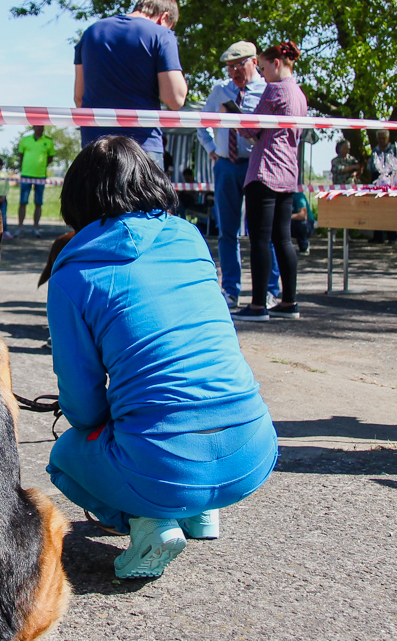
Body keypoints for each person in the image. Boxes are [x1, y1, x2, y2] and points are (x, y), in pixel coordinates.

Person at [45, 136, 277, 579]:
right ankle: (199, 513)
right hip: (254, 451)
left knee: (66, 456)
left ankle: (149, 521)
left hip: (162, 463)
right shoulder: (190, 237)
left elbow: (84, 407)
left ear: (76, 198)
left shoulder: (72, 273)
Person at [197, 40, 281, 310]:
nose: (233, 71)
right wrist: (212, 148)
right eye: (229, 67)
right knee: (227, 231)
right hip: (225, 166)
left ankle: (270, 289)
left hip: (256, 166)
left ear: (254, 63)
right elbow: (203, 124)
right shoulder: (220, 91)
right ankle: (230, 290)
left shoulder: (268, 90)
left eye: (239, 65)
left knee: (262, 232)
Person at [232, 41, 307, 322]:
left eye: (263, 68)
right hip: (288, 172)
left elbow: (251, 128)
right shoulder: (299, 94)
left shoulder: (274, 90)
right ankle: (289, 301)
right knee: (283, 239)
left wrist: (235, 117)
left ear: (277, 64)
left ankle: (257, 305)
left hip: (265, 170)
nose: (262, 75)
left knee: (260, 239)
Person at [73, 0, 188, 168]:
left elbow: (79, 98)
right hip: (142, 148)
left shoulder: (91, 32)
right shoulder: (162, 34)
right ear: (164, 17)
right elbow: (175, 99)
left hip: (94, 146)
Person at [16, 125, 55, 237]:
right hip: (26, 175)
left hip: (40, 176)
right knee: (23, 202)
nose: (40, 128)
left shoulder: (48, 142)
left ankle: (36, 227)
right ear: (33, 127)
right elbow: (21, 155)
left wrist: (42, 167)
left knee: (38, 202)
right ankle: (20, 227)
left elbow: (50, 158)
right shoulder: (25, 140)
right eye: (38, 126)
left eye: (42, 126)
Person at [366, 130, 397, 243]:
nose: (381, 140)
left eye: (383, 138)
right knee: (377, 209)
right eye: (379, 138)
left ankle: (392, 237)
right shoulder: (375, 150)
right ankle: (378, 236)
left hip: (391, 179)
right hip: (377, 179)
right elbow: (370, 167)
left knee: (391, 210)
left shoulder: (394, 149)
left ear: (388, 138)